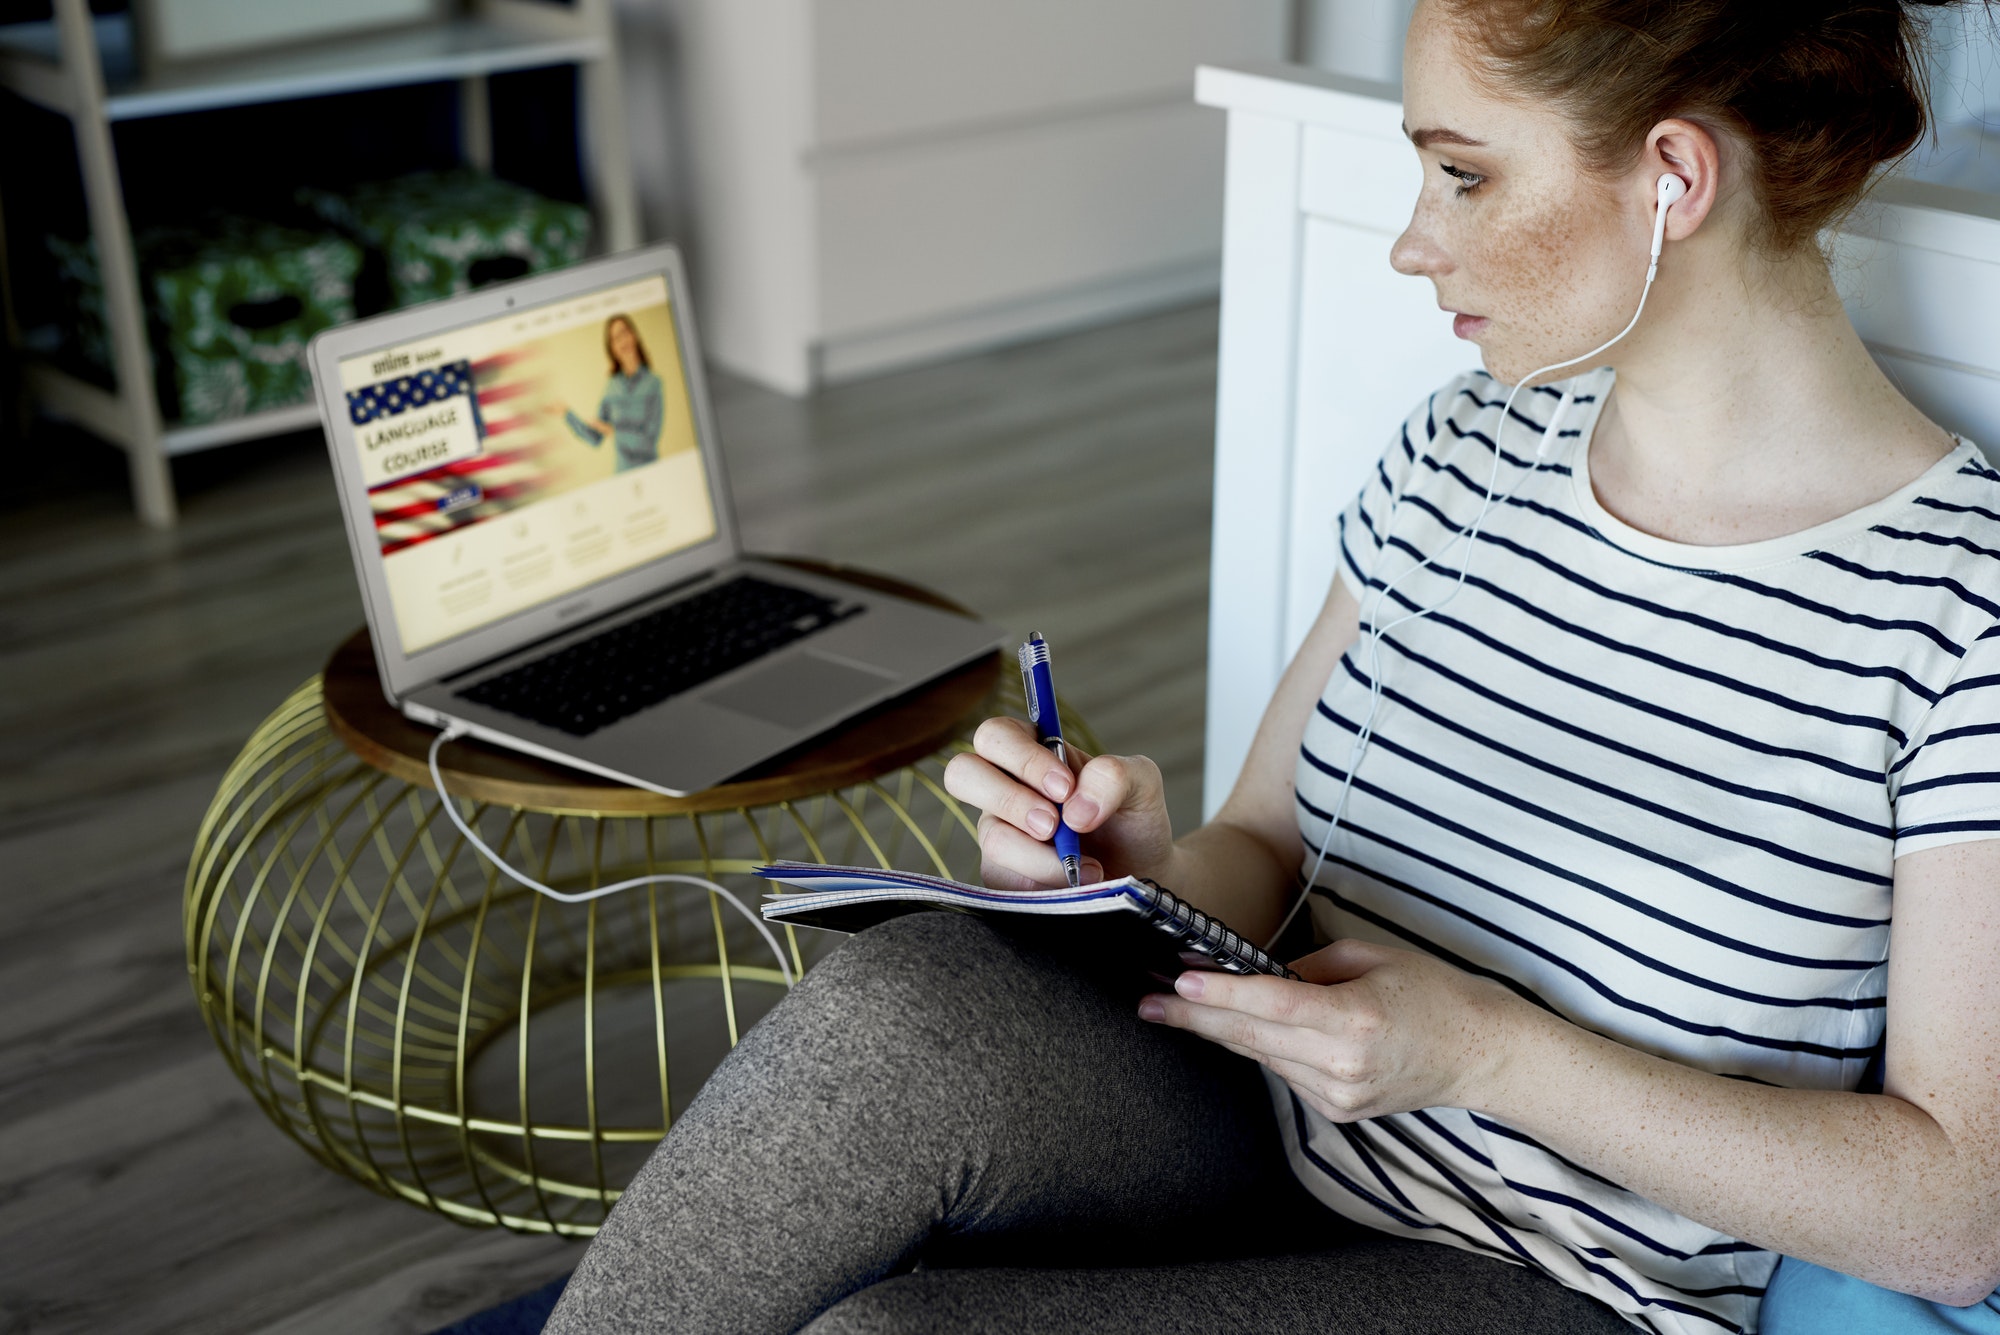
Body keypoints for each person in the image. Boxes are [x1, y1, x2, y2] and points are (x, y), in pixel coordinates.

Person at [544, 1, 2000, 1330]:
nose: (1414, 241)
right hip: (1254, 1117)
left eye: (1466, 175)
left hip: (1552, 1278)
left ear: (1673, 177)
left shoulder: (1960, 615)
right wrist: (1121, 879)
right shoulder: (1461, 452)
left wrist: (1483, 1052)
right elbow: (1264, 846)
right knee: (894, 1003)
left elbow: (1954, 1216)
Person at [565, 313, 665, 472]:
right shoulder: (611, 387)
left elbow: (648, 442)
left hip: (651, 471)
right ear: (612, 348)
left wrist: (612, 431)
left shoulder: (653, 383)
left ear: (634, 335)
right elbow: (595, 438)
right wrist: (567, 414)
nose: (622, 340)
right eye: (615, 338)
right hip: (622, 473)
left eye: (624, 333)